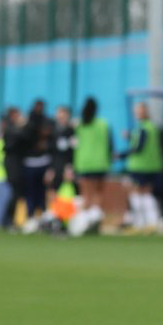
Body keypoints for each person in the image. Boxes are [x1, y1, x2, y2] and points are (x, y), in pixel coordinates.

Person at [120, 100, 163, 231]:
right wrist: (130, 136)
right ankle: (151, 222)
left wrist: (121, 155)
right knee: (147, 193)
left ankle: (141, 223)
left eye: (138, 111)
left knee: (137, 193)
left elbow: (138, 147)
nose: (137, 114)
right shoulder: (153, 127)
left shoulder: (143, 128)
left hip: (140, 166)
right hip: (153, 165)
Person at [71, 96, 113, 234]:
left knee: (86, 194)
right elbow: (110, 145)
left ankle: (85, 223)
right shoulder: (104, 124)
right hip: (100, 163)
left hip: (84, 162)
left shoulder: (79, 125)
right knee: (98, 194)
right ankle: (95, 221)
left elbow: (73, 144)